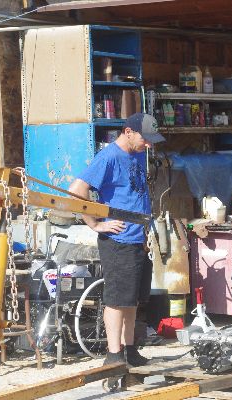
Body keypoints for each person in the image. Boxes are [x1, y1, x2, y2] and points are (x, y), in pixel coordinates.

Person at [68, 113, 165, 367]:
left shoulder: (136, 153)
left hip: (138, 238)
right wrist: (95, 224)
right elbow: (76, 191)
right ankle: (113, 355)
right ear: (128, 132)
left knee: (132, 300)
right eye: (145, 139)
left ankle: (129, 349)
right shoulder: (109, 157)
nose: (148, 145)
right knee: (117, 300)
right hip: (118, 240)